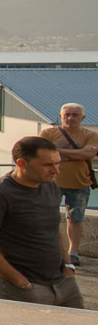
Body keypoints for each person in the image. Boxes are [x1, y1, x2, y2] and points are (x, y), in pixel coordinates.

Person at [0, 136, 82, 307]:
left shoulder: (49, 185)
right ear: (22, 163)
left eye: (58, 163)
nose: (56, 170)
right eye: (47, 165)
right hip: (23, 286)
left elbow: (54, 227)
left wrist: (67, 266)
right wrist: (19, 281)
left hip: (62, 281)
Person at [42, 103, 95, 266]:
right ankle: (49, 249)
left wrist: (58, 153)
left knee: (76, 219)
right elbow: (42, 153)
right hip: (50, 183)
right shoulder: (47, 133)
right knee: (47, 217)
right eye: (67, 115)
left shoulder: (90, 135)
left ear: (82, 118)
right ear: (60, 116)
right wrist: (77, 154)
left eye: (75, 115)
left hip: (79, 183)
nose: (70, 118)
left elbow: (90, 153)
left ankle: (73, 252)